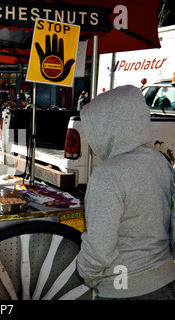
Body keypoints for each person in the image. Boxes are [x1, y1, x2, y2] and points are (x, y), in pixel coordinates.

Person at [76, 85, 175, 300]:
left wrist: (85, 272)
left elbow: (99, 251)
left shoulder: (108, 174)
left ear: (109, 127)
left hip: (124, 289)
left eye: (93, 129)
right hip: (166, 280)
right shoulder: (159, 160)